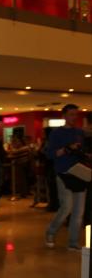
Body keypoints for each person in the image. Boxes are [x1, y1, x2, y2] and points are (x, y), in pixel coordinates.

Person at [45, 104, 89, 250]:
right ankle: (50, 232)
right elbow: (50, 154)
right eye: (71, 114)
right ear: (64, 116)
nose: (74, 117)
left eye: (76, 114)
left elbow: (82, 151)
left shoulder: (79, 132)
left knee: (79, 211)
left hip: (79, 173)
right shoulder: (56, 133)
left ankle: (73, 242)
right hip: (64, 174)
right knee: (66, 207)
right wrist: (66, 149)